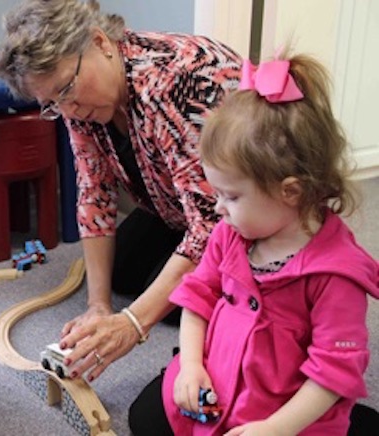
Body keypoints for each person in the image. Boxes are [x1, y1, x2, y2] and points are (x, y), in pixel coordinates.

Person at [128, 52, 379, 435]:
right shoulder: (229, 234)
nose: (218, 207)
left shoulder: (337, 275)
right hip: (219, 388)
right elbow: (196, 299)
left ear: (290, 192)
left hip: (281, 414)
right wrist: (192, 363)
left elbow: (332, 375)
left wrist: (275, 428)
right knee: (144, 418)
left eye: (231, 196)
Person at [0, 0, 242, 379]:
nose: (69, 110)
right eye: (52, 104)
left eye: (66, 90)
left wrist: (133, 325)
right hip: (175, 204)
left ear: (100, 42)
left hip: (240, 215)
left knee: (172, 303)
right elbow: (94, 193)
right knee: (120, 276)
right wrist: (98, 304)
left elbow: (211, 226)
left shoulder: (175, 82)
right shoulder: (79, 102)